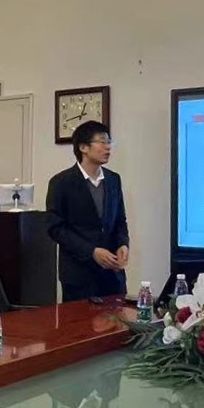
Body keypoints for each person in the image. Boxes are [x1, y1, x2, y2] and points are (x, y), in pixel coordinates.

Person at [46, 121, 130, 302]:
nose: (108, 147)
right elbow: (55, 228)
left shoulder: (113, 179)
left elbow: (120, 220)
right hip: (79, 275)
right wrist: (91, 251)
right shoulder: (61, 182)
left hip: (112, 275)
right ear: (83, 147)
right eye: (102, 142)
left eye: (109, 142)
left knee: (117, 318)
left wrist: (123, 244)